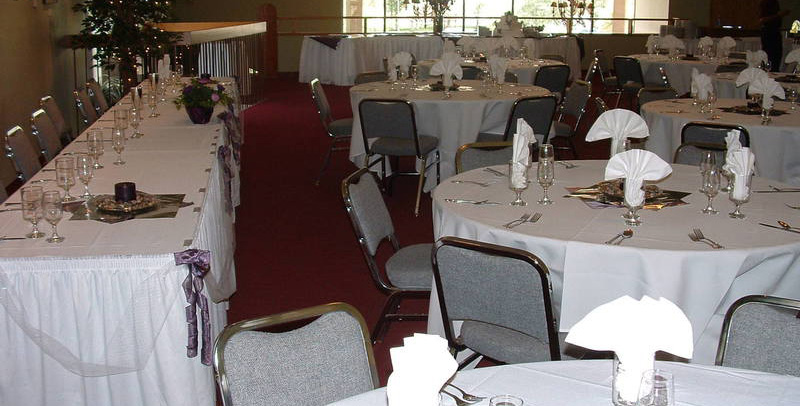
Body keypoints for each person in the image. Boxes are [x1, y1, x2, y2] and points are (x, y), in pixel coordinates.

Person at [759, 0, 790, 71]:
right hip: (769, 33)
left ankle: (773, 71)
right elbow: (762, 20)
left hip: (774, 32)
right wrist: (779, 15)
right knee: (770, 56)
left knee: (776, 57)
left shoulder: (774, 2)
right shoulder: (767, 3)